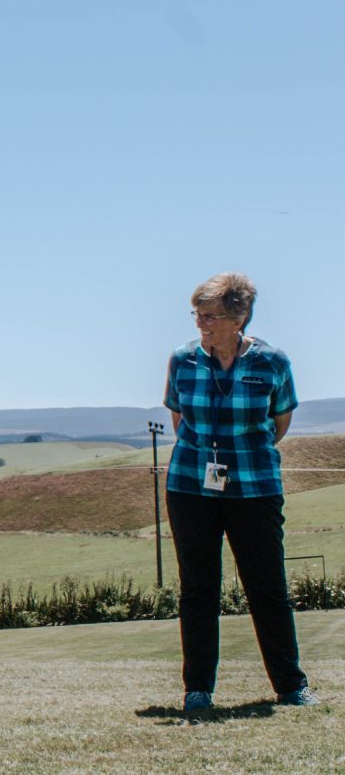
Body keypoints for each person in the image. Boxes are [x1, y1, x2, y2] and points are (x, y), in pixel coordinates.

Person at [162, 272, 315, 713]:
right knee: (198, 588)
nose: (201, 324)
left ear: (239, 318)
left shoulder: (272, 362)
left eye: (210, 316)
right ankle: (197, 689)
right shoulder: (182, 360)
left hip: (256, 488)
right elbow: (180, 422)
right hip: (191, 486)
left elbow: (279, 423)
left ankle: (291, 686)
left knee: (267, 587)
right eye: (197, 314)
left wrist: (242, 454)